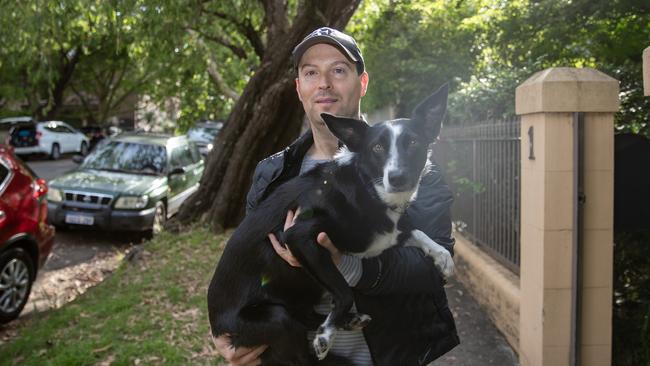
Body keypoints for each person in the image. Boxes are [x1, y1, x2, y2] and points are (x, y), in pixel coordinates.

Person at [213, 27, 459, 366]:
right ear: (299, 88)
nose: (324, 83)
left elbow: (434, 274)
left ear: (363, 82)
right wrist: (227, 334)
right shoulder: (272, 173)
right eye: (311, 72)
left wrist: (346, 265)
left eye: (338, 70)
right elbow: (251, 268)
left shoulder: (414, 173)